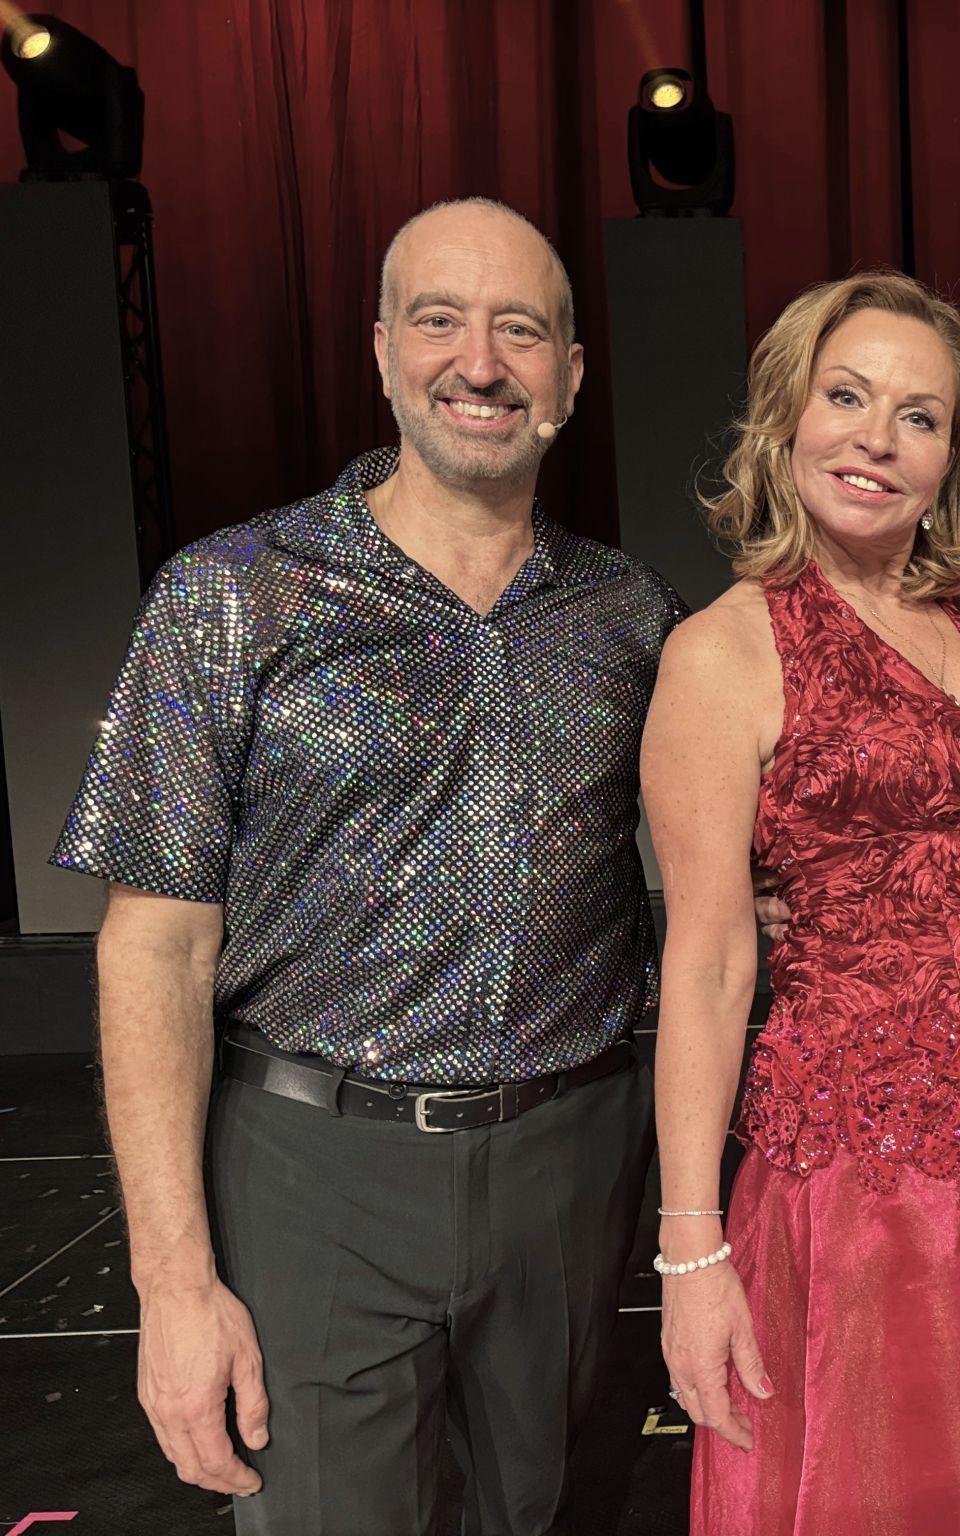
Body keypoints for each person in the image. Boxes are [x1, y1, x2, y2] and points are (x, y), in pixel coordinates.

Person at [50, 197, 682, 1534]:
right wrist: (171, 1288)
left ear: (572, 374)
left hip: (572, 1170)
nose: (482, 361)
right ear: (383, 351)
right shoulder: (230, 595)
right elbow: (152, 945)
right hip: (311, 1170)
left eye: (523, 329)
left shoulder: (632, 618)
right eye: (441, 321)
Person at [648, 269, 960, 1534]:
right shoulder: (722, 652)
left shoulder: (956, 624)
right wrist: (691, 1256)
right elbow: (704, 969)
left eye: (918, 416)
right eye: (845, 397)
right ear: (784, 419)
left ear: (952, 455)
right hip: (861, 1188)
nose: (876, 438)